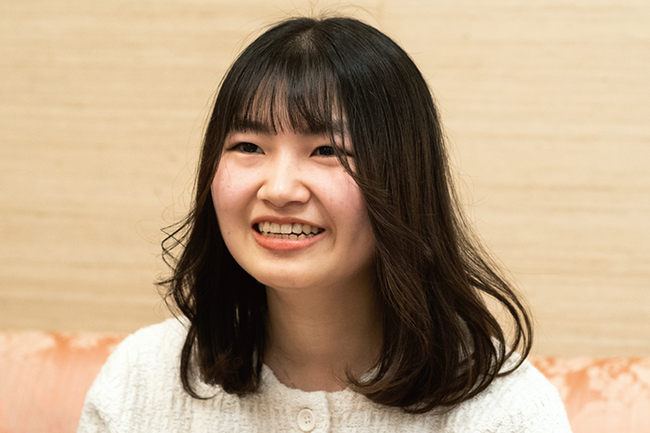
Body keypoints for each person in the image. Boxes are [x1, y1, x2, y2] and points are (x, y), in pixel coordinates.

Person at [78, 16, 572, 432]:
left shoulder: (503, 412)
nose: (279, 190)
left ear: (404, 180)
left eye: (326, 150)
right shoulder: (140, 382)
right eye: (248, 146)